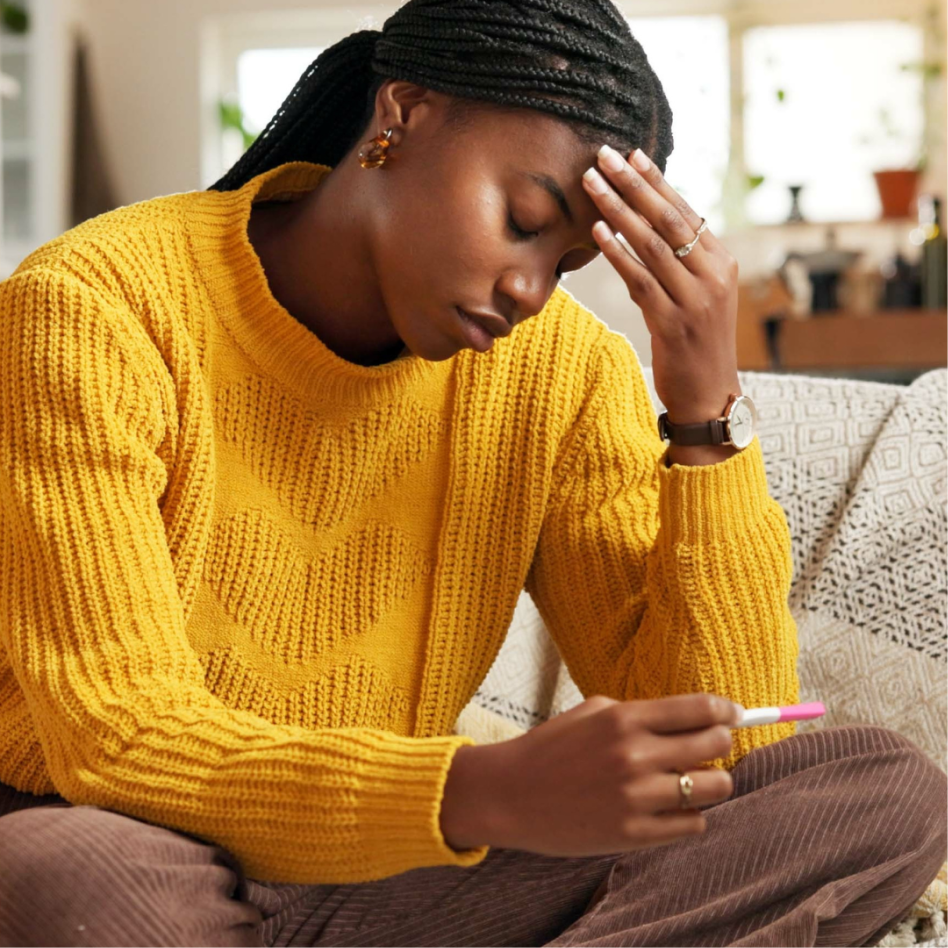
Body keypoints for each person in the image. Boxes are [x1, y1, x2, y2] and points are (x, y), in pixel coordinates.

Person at [0, 0, 946, 945]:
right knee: (67, 880)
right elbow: (117, 738)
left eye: (569, 261)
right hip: (135, 845)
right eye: (523, 219)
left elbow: (729, 761)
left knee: (880, 790)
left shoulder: (565, 375)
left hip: (395, 875)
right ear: (401, 115)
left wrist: (705, 415)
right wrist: (476, 790)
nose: (532, 289)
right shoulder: (93, 308)